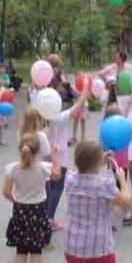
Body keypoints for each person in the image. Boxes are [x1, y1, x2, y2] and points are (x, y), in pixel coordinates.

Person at [4, 133, 61, 263]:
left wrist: (17, 200)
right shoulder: (43, 167)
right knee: (36, 252)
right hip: (38, 210)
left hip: (20, 211)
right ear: (38, 151)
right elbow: (57, 175)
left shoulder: (12, 168)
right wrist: (55, 155)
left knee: (20, 251)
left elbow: (6, 192)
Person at [46, 89, 90, 231]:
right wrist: (85, 87)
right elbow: (79, 104)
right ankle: (49, 218)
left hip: (46, 155)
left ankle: (44, 216)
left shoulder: (43, 117)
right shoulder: (61, 117)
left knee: (48, 187)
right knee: (56, 188)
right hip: (60, 157)